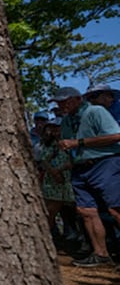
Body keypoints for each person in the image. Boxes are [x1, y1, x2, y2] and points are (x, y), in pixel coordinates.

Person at [52, 86, 120, 267]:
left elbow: (115, 136)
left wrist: (79, 142)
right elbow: (70, 146)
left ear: (77, 99)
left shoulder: (95, 111)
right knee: (86, 212)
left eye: (65, 101)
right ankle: (101, 255)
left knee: (115, 209)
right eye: (59, 102)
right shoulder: (66, 122)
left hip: (105, 163)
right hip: (80, 169)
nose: (61, 105)